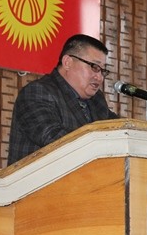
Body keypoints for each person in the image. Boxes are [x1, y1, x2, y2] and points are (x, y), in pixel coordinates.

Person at [7, 34, 118, 164]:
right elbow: (52, 137)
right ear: (67, 62)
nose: (99, 77)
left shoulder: (97, 100)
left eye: (103, 71)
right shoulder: (37, 92)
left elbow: (119, 129)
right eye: (94, 67)